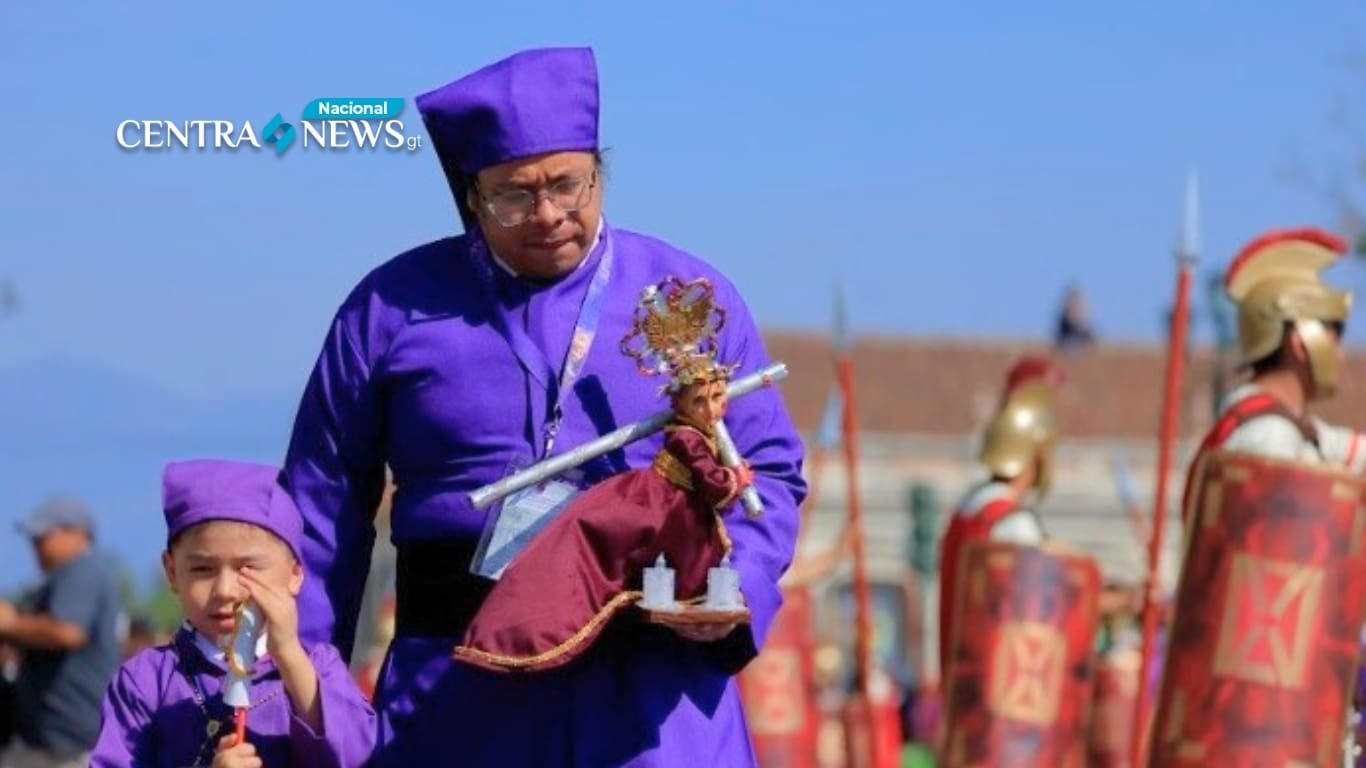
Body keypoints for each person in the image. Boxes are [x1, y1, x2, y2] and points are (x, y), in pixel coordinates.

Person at [281, 46, 805, 767]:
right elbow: (320, 511)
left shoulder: (689, 298)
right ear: (471, 194)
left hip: (654, 702)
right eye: (515, 196)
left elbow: (767, 470)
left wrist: (735, 585)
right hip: (455, 696)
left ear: (601, 171)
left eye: (570, 185)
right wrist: (306, 695)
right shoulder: (388, 310)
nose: (550, 214)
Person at [454, 277, 755, 671]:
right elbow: (715, 485)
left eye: (718, 398)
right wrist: (736, 479)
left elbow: (776, 475)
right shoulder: (687, 438)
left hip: (668, 666)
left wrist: (742, 585)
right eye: (702, 400)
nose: (548, 214)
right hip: (654, 512)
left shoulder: (702, 285)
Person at [89, 459, 376, 768]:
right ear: (172, 571)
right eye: (202, 569)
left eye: (247, 568)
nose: (225, 590)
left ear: (294, 574)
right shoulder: (145, 680)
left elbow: (358, 756)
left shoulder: (320, 667)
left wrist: (289, 655)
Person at [937, 356, 1061, 677]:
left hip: (959, 685)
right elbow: (1036, 609)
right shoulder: (1012, 522)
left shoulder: (968, 510)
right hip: (1000, 686)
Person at [0, 498, 120, 768]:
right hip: (46, 740)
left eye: (42, 537)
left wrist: (9, 624)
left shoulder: (82, 569)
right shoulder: (65, 577)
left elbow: (67, 632)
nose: (35, 546)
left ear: (77, 533)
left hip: (69, 745)